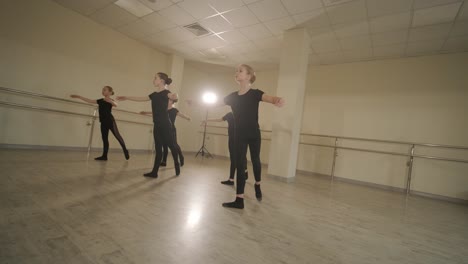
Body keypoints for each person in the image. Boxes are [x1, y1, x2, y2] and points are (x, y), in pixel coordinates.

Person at [222, 64, 284, 209]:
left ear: (249, 76)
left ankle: (257, 184)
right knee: (240, 164)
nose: (236, 73)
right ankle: (239, 200)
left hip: (254, 133)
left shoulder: (255, 93)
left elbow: (268, 98)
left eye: (240, 71)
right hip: (239, 135)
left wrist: (277, 99)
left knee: (255, 160)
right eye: (236, 71)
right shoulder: (232, 96)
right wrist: (197, 103)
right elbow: (215, 103)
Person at [117, 72, 180, 178]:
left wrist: (174, 96)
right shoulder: (154, 95)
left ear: (162, 81)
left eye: (155, 78)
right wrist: (126, 97)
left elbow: (173, 96)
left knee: (172, 146)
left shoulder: (166, 92)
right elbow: (140, 98)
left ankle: (177, 165)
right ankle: (154, 172)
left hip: (165, 124)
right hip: (157, 124)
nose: (153, 80)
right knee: (158, 148)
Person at [70, 86, 129, 161]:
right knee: (104, 139)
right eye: (102, 90)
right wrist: (79, 97)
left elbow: (116, 104)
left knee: (117, 136)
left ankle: (125, 150)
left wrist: (110, 101)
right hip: (103, 122)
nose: (103, 91)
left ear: (110, 92)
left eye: (105, 90)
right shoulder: (100, 100)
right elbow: (90, 101)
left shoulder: (110, 100)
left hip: (110, 121)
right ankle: (104, 156)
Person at [140, 98, 191, 167]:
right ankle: (164, 161)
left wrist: (187, 118)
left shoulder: (174, 110)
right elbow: (155, 112)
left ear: (172, 102)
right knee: (164, 145)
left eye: (169, 100)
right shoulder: (163, 110)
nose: (167, 101)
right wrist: (146, 112)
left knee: (175, 145)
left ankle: (181, 157)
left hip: (171, 129)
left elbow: (181, 114)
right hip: (164, 129)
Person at [202, 112, 248, 185]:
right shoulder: (241, 113)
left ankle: (231, 180)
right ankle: (245, 173)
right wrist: (207, 120)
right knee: (242, 156)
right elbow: (219, 119)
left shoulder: (231, 114)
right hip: (241, 139)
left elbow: (219, 120)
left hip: (234, 140)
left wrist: (207, 120)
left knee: (233, 159)